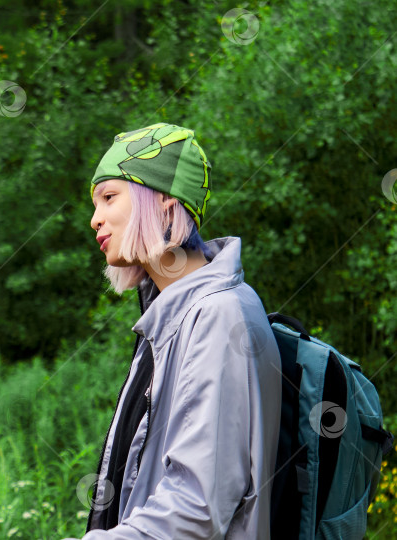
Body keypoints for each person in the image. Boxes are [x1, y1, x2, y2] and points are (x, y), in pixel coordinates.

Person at [65, 123, 281, 539]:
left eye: (109, 197)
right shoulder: (169, 315)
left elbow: (198, 506)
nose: (95, 219)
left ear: (165, 201)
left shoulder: (219, 316)